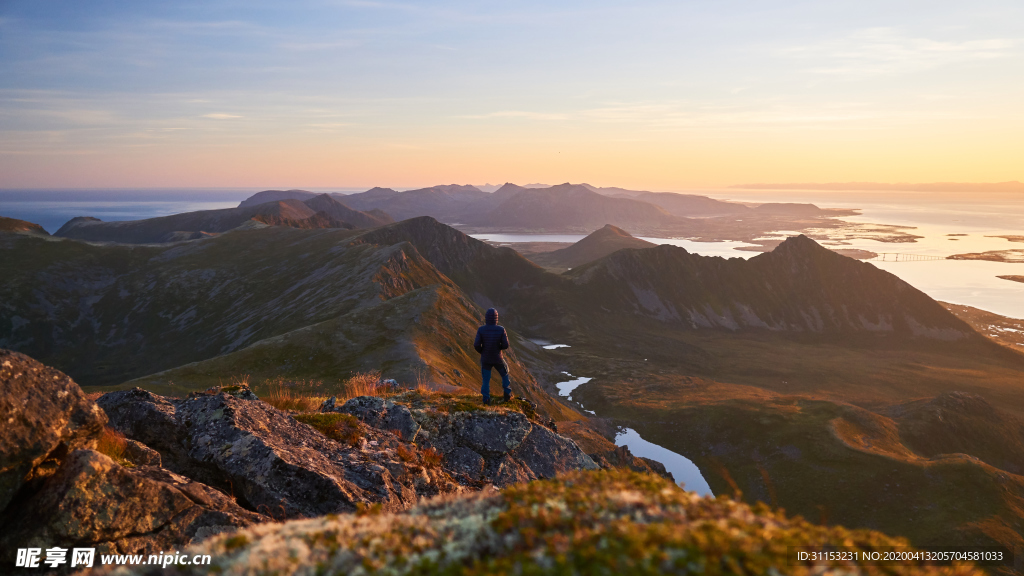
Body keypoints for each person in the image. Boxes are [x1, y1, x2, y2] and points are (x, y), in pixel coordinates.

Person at [473, 308, 513, 405]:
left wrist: (482, 351)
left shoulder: (481, 329)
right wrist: (499, 347)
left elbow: (476, 345)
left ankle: (486, 399)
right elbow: (506, 345)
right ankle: (507, 394)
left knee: (486, 380)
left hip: (486, 358)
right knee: (505, 374)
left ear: (486, 317)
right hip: (498, 358)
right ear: (496, 318)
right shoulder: (501, 329)